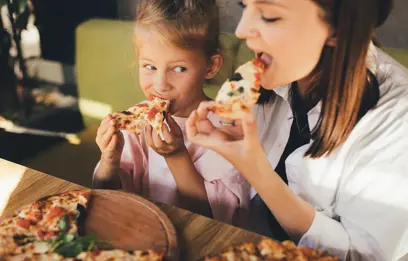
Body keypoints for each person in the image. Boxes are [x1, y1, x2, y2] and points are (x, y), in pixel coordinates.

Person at [186, 0, 408, 260]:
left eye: (268, 15)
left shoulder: (397, 117)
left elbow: (360, 257)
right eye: (244, 5)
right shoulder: (269, 79)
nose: (241, 30)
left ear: (338, 29)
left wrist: (258, 171)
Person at [92, 0, 254, 225]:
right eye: (150, 66)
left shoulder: (228, 131)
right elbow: (105, 197)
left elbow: (214, 220)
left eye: (179, 69)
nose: (161, 84)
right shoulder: (134, 123)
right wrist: (109, 161)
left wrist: (176, 156)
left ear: (210, 66)